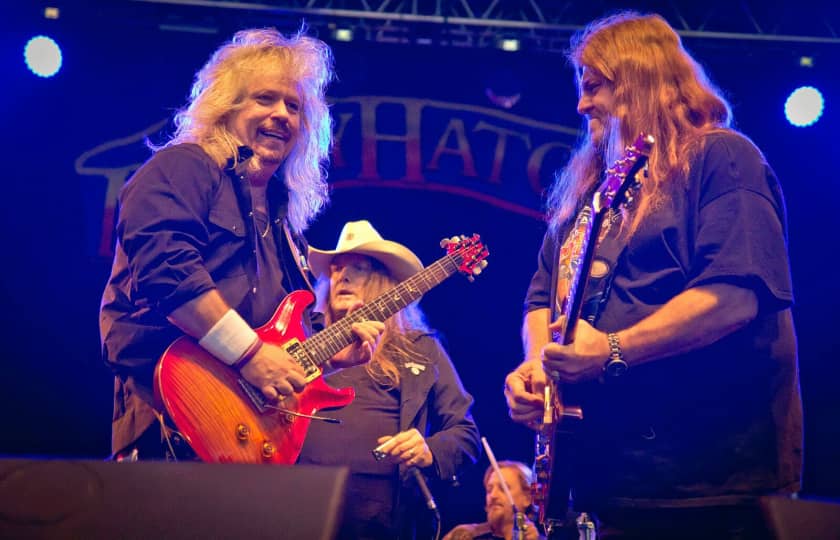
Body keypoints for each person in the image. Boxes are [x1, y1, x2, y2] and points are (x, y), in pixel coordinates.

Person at [503, 12, 802, 540]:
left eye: (593, 86)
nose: (581, 105)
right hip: (609, 482)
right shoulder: (592, 194)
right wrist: (536, 368)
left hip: (706, 486)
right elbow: (541, 297)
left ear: (637, 79)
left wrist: (611, 348)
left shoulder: (721, 157)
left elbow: (736, 293)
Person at [99, 28, 384, 460]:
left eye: (294, 106)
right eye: (265, 99)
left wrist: (326, 356)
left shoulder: (282, 218)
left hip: (244, 432)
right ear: (225, 107)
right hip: (171, 419)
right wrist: (250, 355)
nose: (282, 115)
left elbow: (277, 339)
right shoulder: (185, 167)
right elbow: (167, 273)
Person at [297, 220, 481, 539]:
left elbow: (466, 434)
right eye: (337, 269)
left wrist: (429, 449)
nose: (343, 276)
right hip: (297, 505)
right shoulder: (300, 343)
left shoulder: (420, 348)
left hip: (380, 519)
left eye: (359, 268)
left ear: (385, 283)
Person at [444, 460, 544, 540]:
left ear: (527, 498)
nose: (493, 495)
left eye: (503, 488)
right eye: (489, 490)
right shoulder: (465, 535)